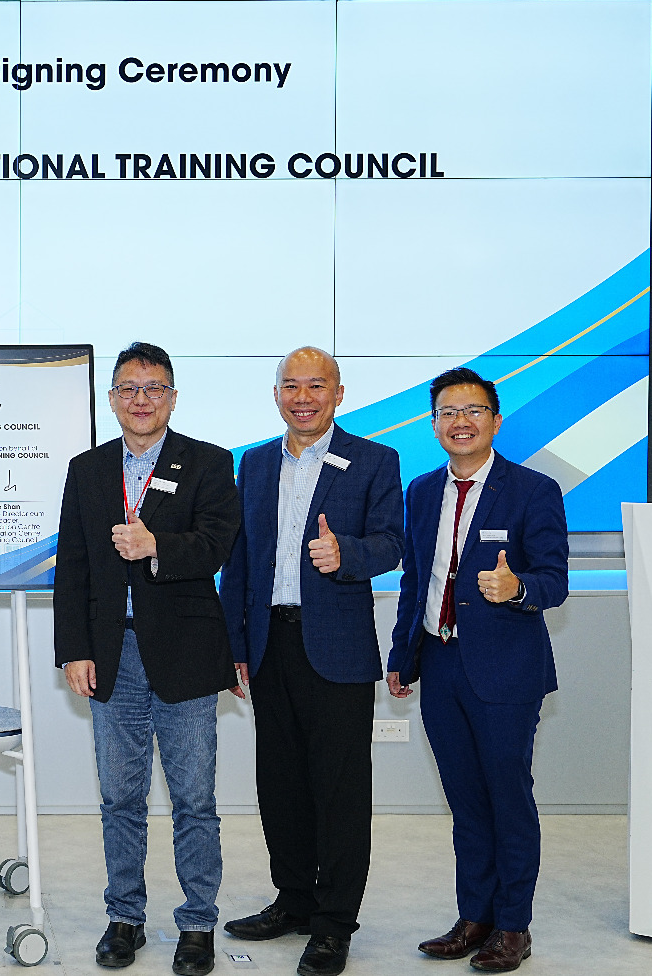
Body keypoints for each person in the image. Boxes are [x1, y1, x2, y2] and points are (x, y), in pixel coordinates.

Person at [54, 341, 241, 976]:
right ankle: (124, 917)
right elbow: (73, 567)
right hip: (112, 657)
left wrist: (156, 545)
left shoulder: (208, 463)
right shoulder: (87, 470)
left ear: (173, 397)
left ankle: (197, 924)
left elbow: (217, 545)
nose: (142, 399)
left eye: (154, 388)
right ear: (112, 399)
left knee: (194, 800)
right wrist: (74, 650)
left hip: (185, 655)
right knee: (120, 799)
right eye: (130, 389)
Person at [218, 347, 403, 976]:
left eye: (316, 386)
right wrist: (235, 646)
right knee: (281, 785)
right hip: (269, 643)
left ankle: (333, 923)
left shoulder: (375, 460)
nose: (303, 398)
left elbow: (392, 543)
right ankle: (294, 900)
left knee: (340, 792)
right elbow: (240, 561)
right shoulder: (255, 462)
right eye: (291, 386)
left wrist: (346, 553)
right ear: (276, 395)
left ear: (339, 393)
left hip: (337, 649)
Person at [387, 367, 568, 973]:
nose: (459, 422)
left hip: (506, 671)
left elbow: (555, 579)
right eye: (447, 412)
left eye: (472, 411)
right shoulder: (421, 492)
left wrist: (519, 589)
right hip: (440, 663)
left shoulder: (532, 490)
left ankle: (513, 925)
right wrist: (402, 656)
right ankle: (475, 917)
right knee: (465, 801)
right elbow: (416, 580)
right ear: (433, 424)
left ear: (495, 420)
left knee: (507, 799)